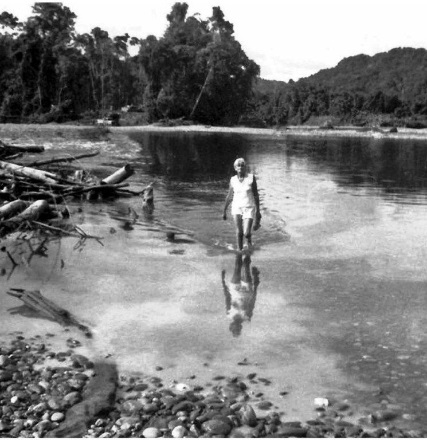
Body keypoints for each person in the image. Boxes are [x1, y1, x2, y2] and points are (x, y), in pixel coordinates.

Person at [223, 158, 261, 251]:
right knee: (239, 232)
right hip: (236, 207)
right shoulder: (233, 180)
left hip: (249, 207)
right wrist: (224, 211)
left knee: (246, 233)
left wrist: (258, 212)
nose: (240, 167)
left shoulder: (251, 178)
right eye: (238, 165)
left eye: (242, 165)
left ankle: (249, 239)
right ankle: (239, 251)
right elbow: (229, 196)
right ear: (235, 168)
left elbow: (256, 195)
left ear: (245, 167)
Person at [221, 253, 260, 337]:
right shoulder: (247, 316)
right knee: (246, 265)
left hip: (234, 290)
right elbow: (253, 301)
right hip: (247, 290)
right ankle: (249, 250)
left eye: (235, 329)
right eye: (238, 329)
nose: (237, 327)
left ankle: (239, 251)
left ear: (231, 326)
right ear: (240, 327)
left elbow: (227, 298)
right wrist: (256, 283)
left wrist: (223, 281)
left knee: (238, 265)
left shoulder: (229, 314)